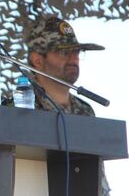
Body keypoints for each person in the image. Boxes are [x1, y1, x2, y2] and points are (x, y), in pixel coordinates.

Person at [25, 16, 110, 195]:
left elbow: (96, 178)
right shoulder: (21, 108)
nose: (73, 59)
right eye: (64, 52)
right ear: (37, 59)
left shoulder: (85, 111)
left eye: (77, 52)